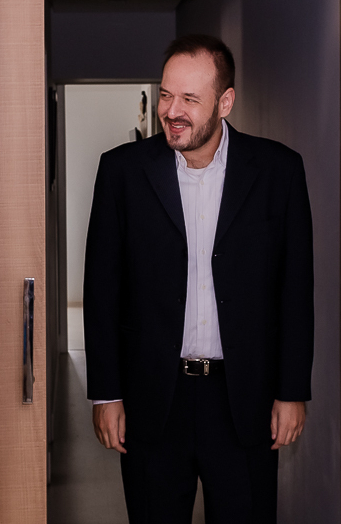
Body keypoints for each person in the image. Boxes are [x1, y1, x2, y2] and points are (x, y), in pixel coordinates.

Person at [83, 35, 313, 523]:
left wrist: (292, 390)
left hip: (243, 401)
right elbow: (102, 291)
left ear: (225, 102)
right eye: (166, 95)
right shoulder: (122, 172)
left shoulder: (278, 172)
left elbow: (295, 291)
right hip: (152, 400)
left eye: (190, 98)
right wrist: (106, 393)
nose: (172, 111)